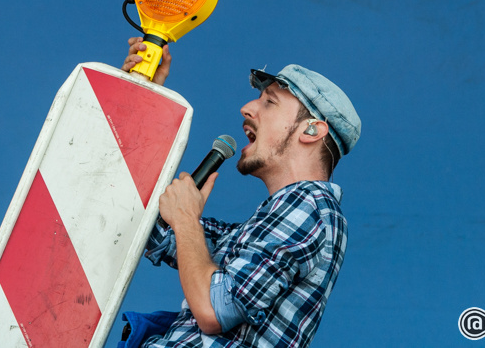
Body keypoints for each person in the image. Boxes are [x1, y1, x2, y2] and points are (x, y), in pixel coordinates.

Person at [121, 37, 361, 348]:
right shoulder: (260, 230)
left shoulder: (312, 206)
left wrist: (185, 220)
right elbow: (149, 228)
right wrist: (146, 94)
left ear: (311, 130)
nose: (246, 108)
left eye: (269, 102)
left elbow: (213, 309)